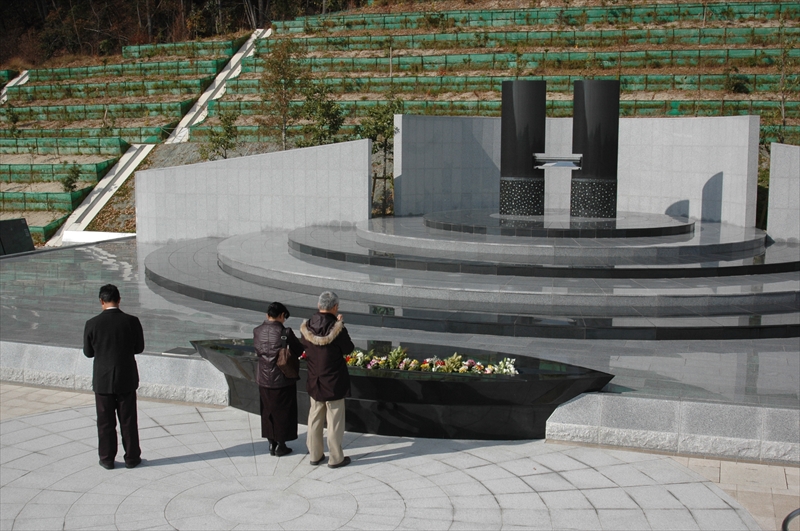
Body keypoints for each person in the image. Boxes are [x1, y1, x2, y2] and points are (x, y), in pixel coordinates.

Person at [83, 284, 145, 470]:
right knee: (128, 419)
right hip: (126, 377)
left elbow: (88, 352)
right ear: (119, 300)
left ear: (101, 301)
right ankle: (132, 458)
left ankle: (107, 458)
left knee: (105, 421)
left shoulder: (92, 323)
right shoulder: (132, 321)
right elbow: (139, 348)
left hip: (102, 379)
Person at [300, 291, 355, 468]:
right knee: (334, 421)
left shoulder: (307, 326)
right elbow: (348, 348)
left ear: (318, 305)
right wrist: (340, 324)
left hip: (314, 379)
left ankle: (315, 455)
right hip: (334, 381)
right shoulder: (337, 329)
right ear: (335, 307)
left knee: (315, 418)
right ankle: (336, 458)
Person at [253, 302, 304, 457]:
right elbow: (299, 350)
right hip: (282, 379)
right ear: (281, 315)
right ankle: (281, 445)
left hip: (263, 378)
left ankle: (271, 443)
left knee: (267, 411)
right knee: (283, 412)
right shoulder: (285, 332)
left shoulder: (257, 331)